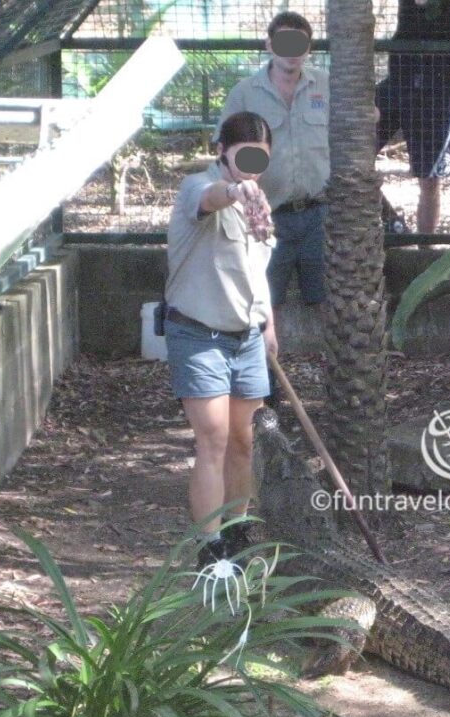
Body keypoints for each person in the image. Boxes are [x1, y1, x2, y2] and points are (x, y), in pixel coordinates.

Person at [166, 111, 277, 567]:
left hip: (247, 335)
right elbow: (211, 198)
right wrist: (235, 192)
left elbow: (257, 269)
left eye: (260, 159)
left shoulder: (261, 203)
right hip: (198, 334)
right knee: (211, 437)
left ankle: (237, 531)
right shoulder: (198, 187)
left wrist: (269, 324)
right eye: (243, 156)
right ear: (221, 151)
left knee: (243, 441)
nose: (252, 166)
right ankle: (210, 547)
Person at [218, 11, 329, 311]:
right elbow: (223, 152)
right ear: (269, 45)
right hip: (267, 215)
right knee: (263, 301)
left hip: (320, 215)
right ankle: (262, 359)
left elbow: (360, 123)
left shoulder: (326, 85)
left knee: (327, 300)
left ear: (308, 48)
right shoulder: (244, 93)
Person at [375, 0, 450, 234]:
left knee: (429, 178)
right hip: (403, 72)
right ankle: (395, 226)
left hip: (443, 78)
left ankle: (425, 254)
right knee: (349, 158)